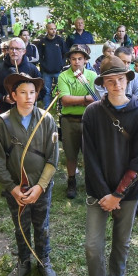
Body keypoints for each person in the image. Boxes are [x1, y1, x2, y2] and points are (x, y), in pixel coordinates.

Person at [72, 56, 138, 276]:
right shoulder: (93, 112)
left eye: (120, 79)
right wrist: (104, 194)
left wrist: (118, 194)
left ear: (128, 80)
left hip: (127, 194)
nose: (116, 84)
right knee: (93, 246)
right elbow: (90, 157)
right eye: (110, 80)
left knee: (122, 242)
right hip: (99, 191)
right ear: (103, 83)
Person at [0, 73, 60, 276]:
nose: (29, 97)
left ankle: (43, 260)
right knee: (20, 224)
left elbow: (52, 159)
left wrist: (40, 186)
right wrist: (12, 188)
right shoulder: (3, 123)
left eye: (33, 92)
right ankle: (23, 261)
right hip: (16, 189)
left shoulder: (47, 120)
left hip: (41, 188)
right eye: (23, 92)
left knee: (42, 225)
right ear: (13, 95)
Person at [55, 44, 98, 199]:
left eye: (80, 58)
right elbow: (65, 100)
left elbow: (97, 100)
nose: (76, 62)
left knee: (90, 153)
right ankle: (71, 181)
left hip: (89, 119)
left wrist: (80, 100)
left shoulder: (93, 76)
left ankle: (90, 182)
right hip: (69, 120)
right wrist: (86, 99)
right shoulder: (63, 76)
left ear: (85, 60)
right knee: (71, 154)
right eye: (73, 59)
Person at [0, 37, 44, 114]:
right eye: (11, 48)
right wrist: (4, 98)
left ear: (24, 51)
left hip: (28, 113)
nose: (14, 51)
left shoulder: (32, 69)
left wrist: (30, 98)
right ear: (8, 51)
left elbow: (43, 91)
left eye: (17, 49)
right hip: (6, 115)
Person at [37, 22, 67, 107]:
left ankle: (61, 108)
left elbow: (65, 54)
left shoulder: (60, 40)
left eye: (54, 29)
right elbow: (39, 56)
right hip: (46, 72)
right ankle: (46, 109)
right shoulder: (42, 42)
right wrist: (44, 66)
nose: (53, 31)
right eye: (51, 29)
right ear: (47, 30)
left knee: (61, 91)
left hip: (59, 71)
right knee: (46, 91)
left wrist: (62, 64)